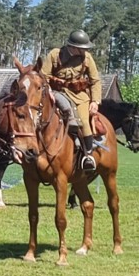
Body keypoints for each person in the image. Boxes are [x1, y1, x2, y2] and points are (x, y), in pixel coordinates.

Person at [40, 29, 102, 170]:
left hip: (79, 96)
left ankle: (88, 156)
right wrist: (48, 90)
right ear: (73, 47)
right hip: (56, 93)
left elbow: (95, 81)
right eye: (82, 48)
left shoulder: (87, 58)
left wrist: (95, 101)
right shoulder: (55, 55)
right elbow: (43, 75)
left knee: (84, 122)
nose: (84, 51)